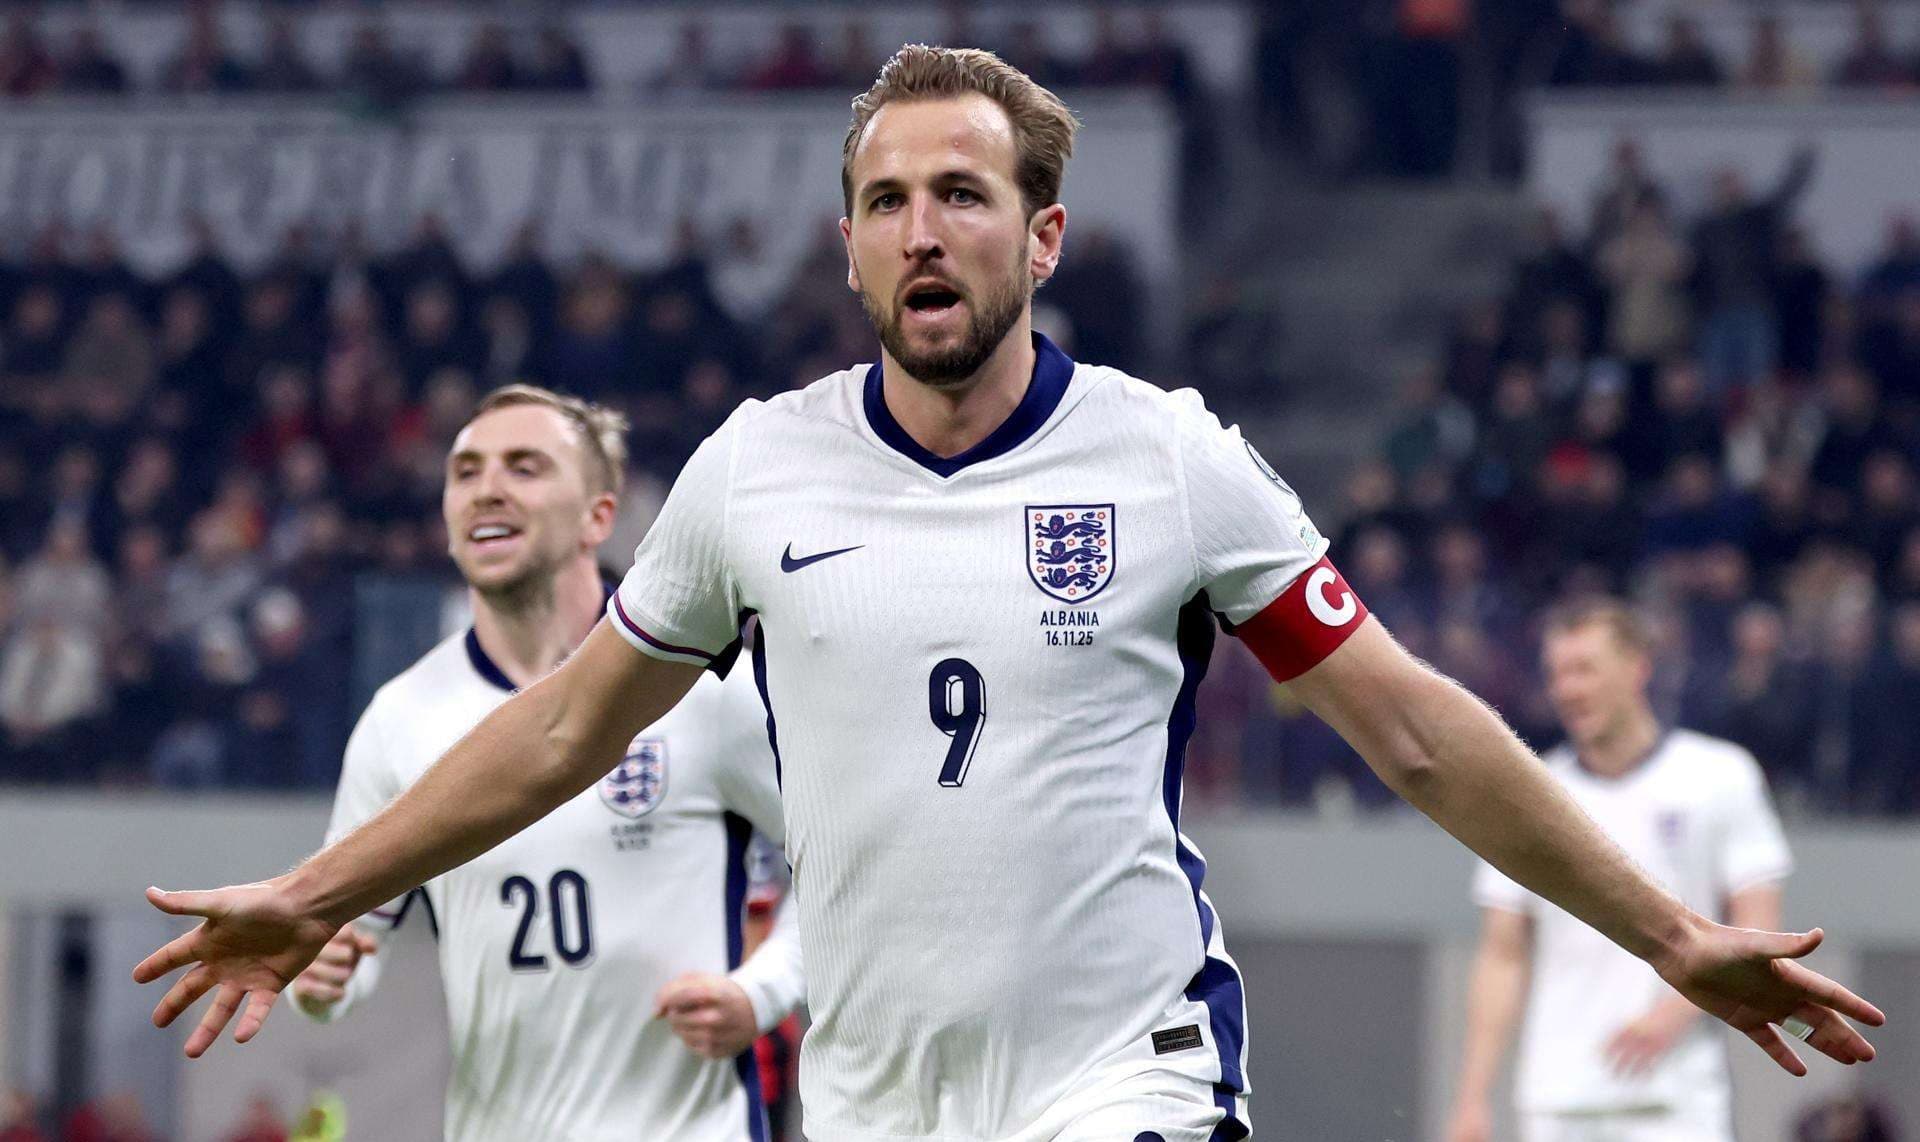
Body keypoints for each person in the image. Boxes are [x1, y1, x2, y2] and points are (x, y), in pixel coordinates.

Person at [135, 46, 1882, 1142]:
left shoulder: (1171, 458)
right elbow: (558, 733)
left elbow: (1416, 730)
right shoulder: (753, 472)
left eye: (961, 195)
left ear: (1041, 238)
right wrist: (318, 886)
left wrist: (1669, 931)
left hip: (1124, 1073)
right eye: (884, 200)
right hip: (876, 1098)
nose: (920, 230)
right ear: (845, 246)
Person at [286, 384, 801, 1142]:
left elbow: (852, 872)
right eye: (465, 472)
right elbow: (346, 952)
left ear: (600, 515)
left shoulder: (705, 683)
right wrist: (322, 981)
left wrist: (761, 993)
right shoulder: (401, 721)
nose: (486, 488)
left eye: (524, 467)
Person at [1446, 599, 1795, 1142]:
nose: (1567, 689)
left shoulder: (1720, 777)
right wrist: (1472, 1098)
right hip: (1556, 1100)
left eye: (1584, 669)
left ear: (1638, 668)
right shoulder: (1528, 792)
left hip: (1675, 1101)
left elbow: (1758, 931)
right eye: (1557, 673)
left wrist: (1673, 1015)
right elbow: (1502, 955)